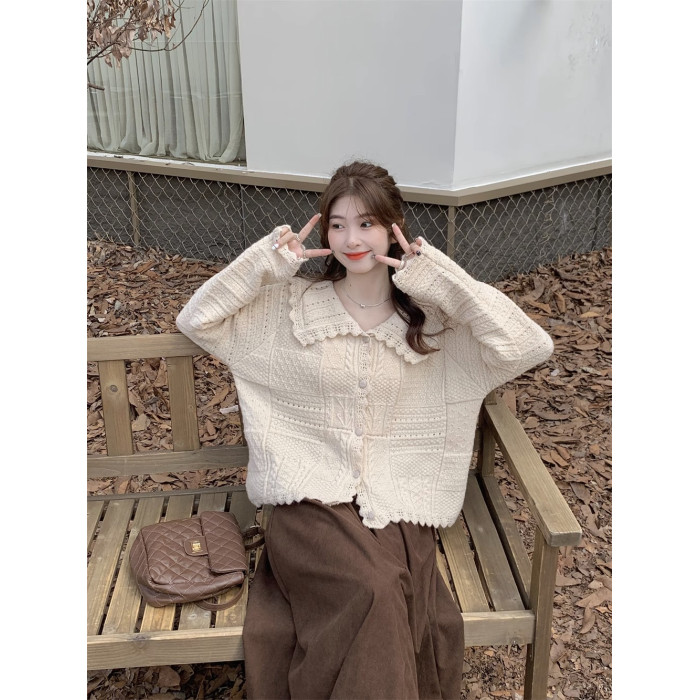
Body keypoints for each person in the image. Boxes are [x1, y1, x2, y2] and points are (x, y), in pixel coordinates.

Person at [176, 160, 553, 699]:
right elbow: (197, 319)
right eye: (337, 224)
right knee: (375, 588)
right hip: (307, 504)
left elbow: (529, 345)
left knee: (383, 590)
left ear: (394, 229)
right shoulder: (288, 308)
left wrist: (438, 278)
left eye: (366, 223)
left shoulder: (434, 323)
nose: (350, 239)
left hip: (400, 505)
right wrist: (265, 264)